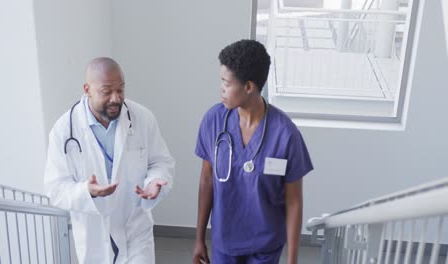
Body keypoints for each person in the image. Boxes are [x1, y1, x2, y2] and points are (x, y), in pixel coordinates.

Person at [192, 40, 313, 264]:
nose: (221, 88)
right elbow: (206, 180)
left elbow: (294, 201)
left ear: (248, 87)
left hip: (265, 247)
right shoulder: (213, 121)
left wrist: (293, 260)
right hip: (224, 243)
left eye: (226, 83)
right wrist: (199, 238)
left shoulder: (285, 135)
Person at [44, 57, 175, 264]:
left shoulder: (142, 118)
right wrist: (86, 191)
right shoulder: (64, 130)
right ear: (87, 89)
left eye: (120, 90)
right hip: (94, 236)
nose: (116, 98)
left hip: (135, 230)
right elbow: (56, 189)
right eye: (106, 91)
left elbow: (160, 162)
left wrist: (154, 182)